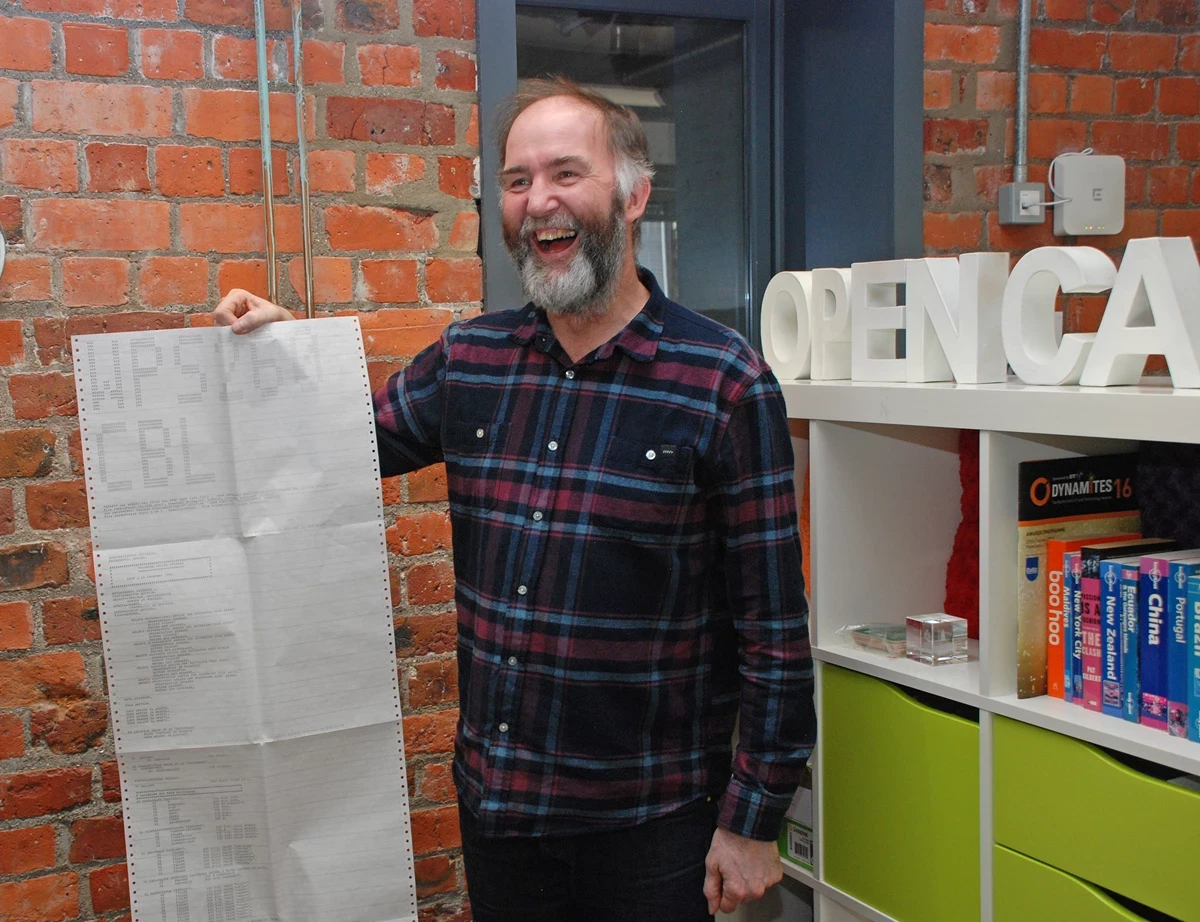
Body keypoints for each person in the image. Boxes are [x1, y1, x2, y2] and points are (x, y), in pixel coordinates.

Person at [215, 76, 815, 922]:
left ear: (635, 194)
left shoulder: (723, 382)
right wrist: (276, 356)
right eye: (517, 180)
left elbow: (774, 632)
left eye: (567, 173)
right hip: (499, 811)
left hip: (650, 825)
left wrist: (754, 822)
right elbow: (334, 446)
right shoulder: (471, 359)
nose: (539, 201)